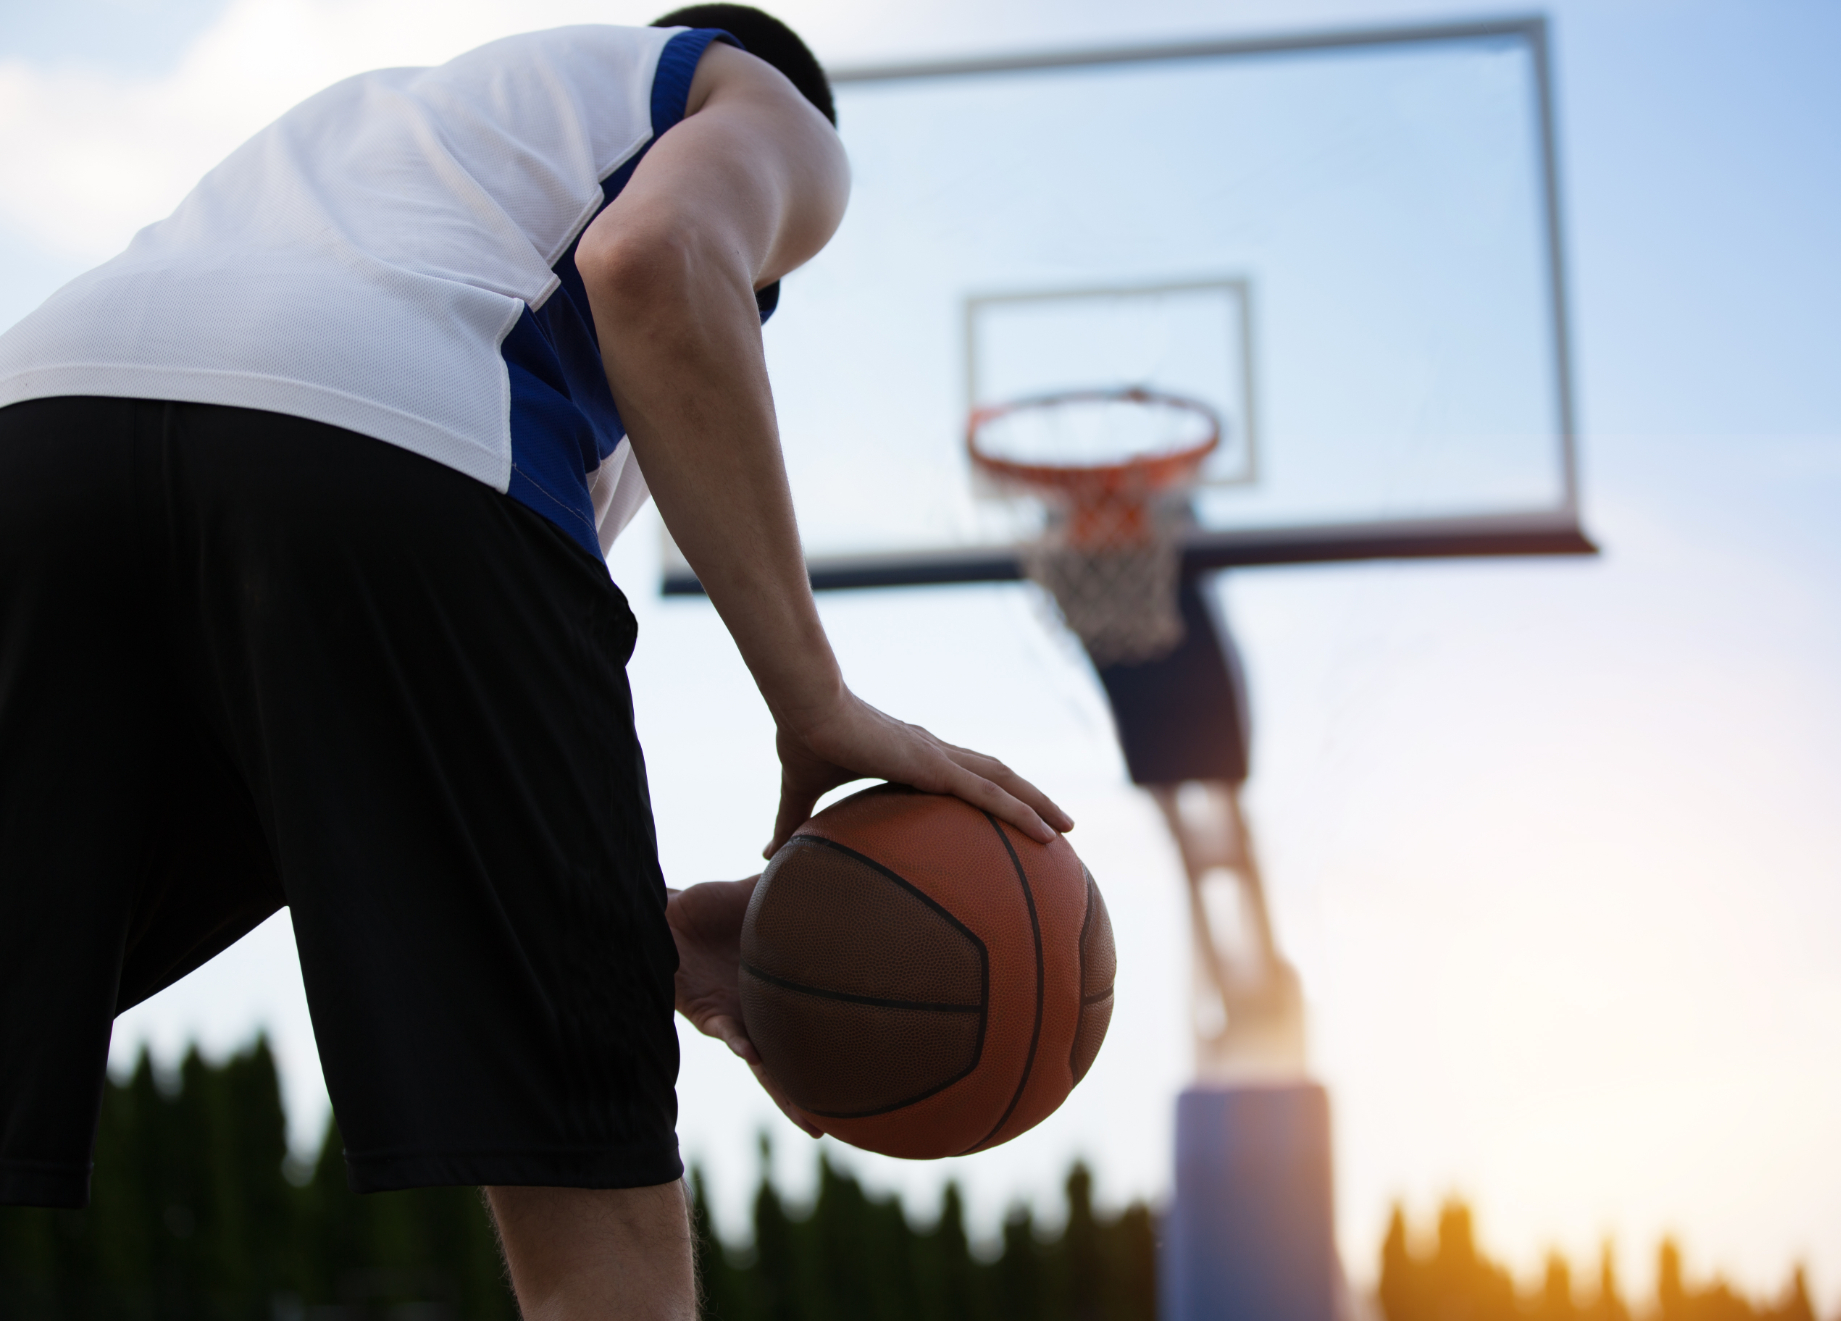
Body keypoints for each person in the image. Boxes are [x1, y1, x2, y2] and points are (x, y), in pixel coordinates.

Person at [0, 7, 1071, 1317]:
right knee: (597, 1244)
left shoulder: (408, 137)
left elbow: (387, 723)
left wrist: (631, 938)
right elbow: (657, 256)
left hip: (40, 432)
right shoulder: (758, 103)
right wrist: (815, 701)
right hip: (392, 434)